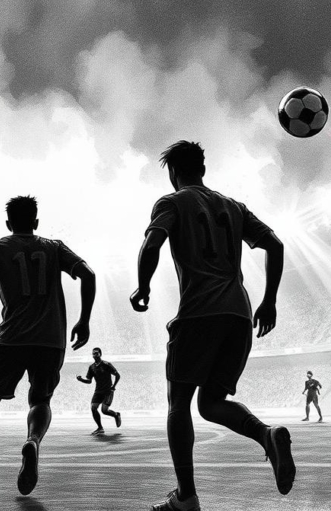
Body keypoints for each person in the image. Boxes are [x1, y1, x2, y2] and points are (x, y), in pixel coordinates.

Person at [130, 141, 294, 511]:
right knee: (211, 402)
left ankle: (186, 497)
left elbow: (152, 244)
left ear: (173, 172)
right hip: (239, 315)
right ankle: (266, 435)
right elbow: (276, 245)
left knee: (179, 404)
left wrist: (143, 285)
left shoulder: (172, 202)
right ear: (202, 168)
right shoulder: (233, 207)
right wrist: (269, 300)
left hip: (198, 314)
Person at [0, 195, 96, 500]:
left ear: (8, 223)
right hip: (51, 339)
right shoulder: (54, 247)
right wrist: (84, 321)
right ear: (35, 222)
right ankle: (33, 441)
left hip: (12, 338)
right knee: (40, 401)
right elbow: (88, 274)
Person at [76, 347, 122, 435]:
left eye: (96, 353)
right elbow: (89, 381)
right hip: (98, 391)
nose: (94, 355)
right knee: (93, 408)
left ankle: (116, 415)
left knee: (104, 411)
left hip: (108, 391)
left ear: (100, 354)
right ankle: (100, 428)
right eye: (93, 353)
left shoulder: (107, 364)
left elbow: (118, 375)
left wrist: (113, 386)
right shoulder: (92, 367)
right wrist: (81, 379)